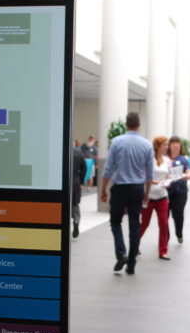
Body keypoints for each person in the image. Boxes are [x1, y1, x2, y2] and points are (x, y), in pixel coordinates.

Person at [100, 113, 153, 275]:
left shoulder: (116, 142)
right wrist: (147, 193)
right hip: (137, 188)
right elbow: (149, 174)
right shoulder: (146, 145)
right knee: (134, 224)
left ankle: (120, 253)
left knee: (115, 222)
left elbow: (108, 168)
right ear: (139, 125)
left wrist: (103, 189)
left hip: (120, 188)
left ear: (126, 124)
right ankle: (131, 263)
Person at [139, 136, 172, 260]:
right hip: (148, 196)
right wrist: (154, 183)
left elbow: (169, 176)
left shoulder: (167, 161)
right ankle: (135, 244)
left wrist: (168, 182)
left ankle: (163, 251)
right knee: (144, 223)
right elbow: (142, 176)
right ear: (158, 146)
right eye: (165, 145)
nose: (167, 147)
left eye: (167, 144)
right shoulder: (148, 159)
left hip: (162, 196)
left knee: (164, 223)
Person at [166, 135, 190, 244]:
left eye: (177, 143)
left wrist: (185, 176)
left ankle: (179, 233)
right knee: (164, 216)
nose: (175, 145)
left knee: (178, 215)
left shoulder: (184, 159)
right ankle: (165, 238)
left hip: (180, 191)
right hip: (166, 192)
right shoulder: (164, 159)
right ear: (169, 145)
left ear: (180, 145)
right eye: (173, 143)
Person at [72, 139, 87, 238]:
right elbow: (84, 168)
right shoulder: (78, 153)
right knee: (75, 204)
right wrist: (81, 181)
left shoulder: (60, 152)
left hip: (63, 183)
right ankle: (76, 220)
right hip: (75, 182)